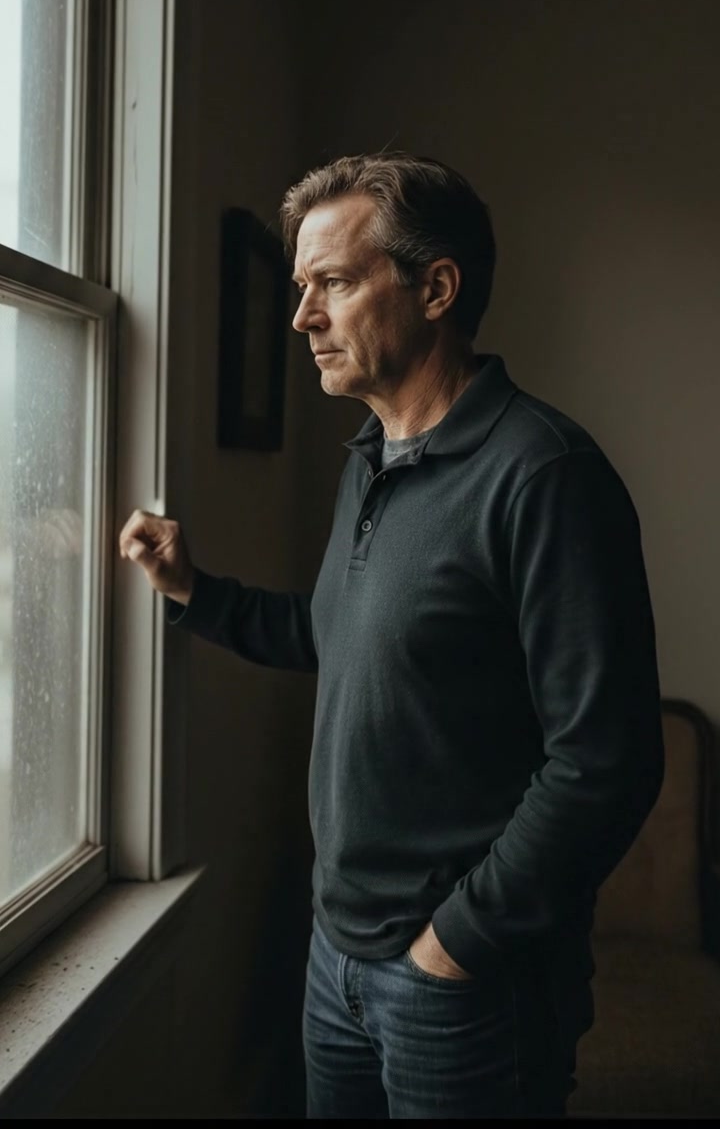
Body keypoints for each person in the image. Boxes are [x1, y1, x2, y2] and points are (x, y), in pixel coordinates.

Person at [119, 151, 664, 1120]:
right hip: (336, 955)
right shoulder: (372, 459)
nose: (302, 318)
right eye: (299, 288)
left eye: (331, 281)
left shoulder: (545, 474)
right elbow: (344, 638)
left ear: (437, 286)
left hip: (465, 982)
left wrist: (454, 941)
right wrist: (192, 589)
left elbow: (607, 759)